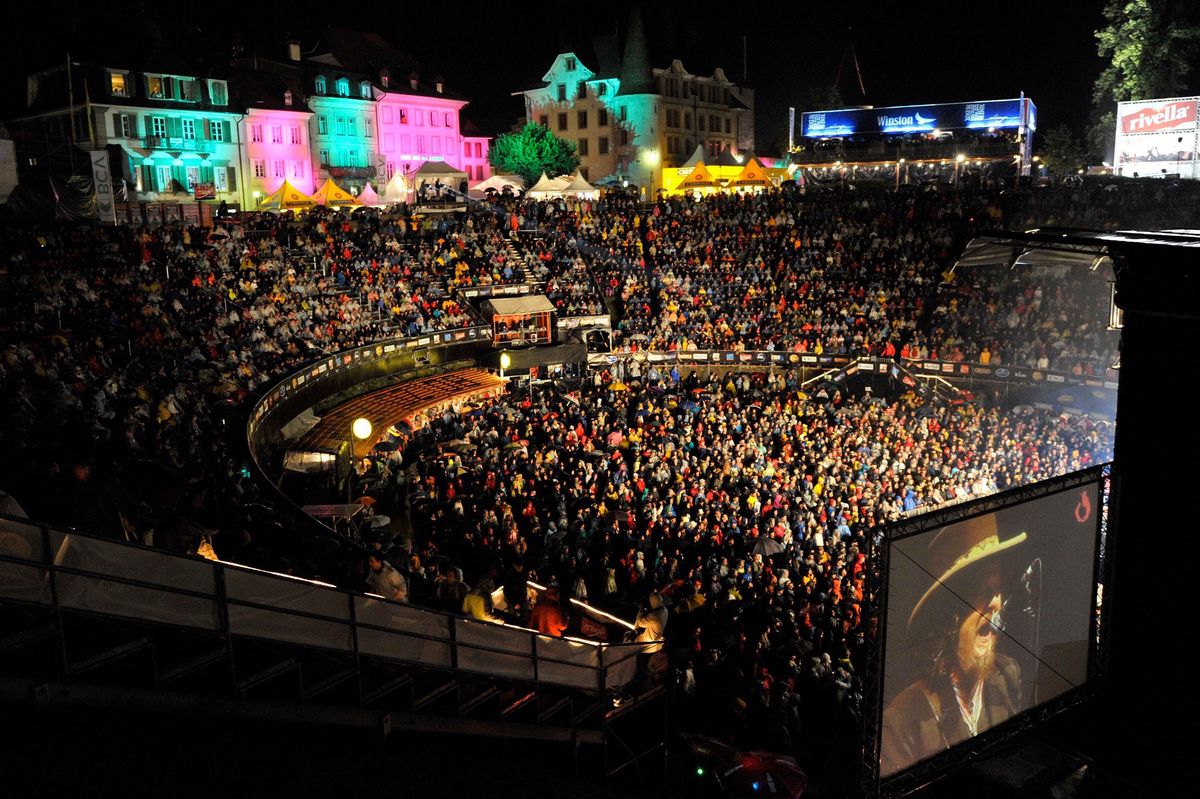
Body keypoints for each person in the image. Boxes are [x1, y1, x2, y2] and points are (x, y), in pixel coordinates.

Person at [880, 513, 1026, 776]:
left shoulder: (1008, 675)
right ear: (951, 616)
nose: (995, 603)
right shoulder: (902, 721)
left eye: (998, 588)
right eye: (983, 591)